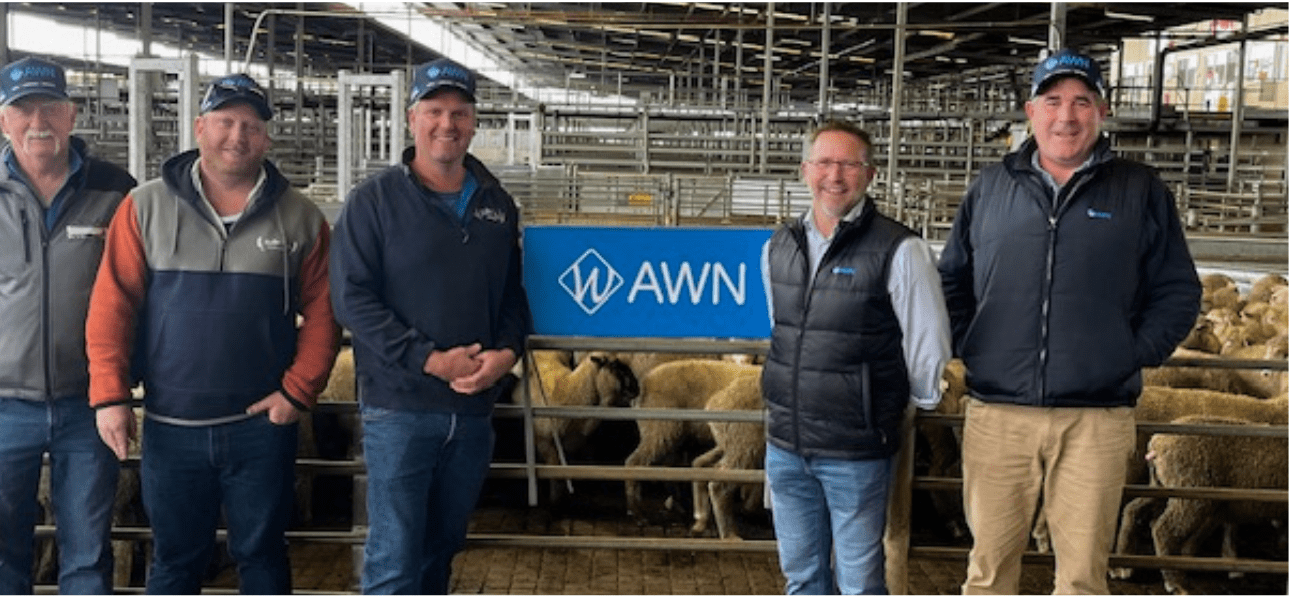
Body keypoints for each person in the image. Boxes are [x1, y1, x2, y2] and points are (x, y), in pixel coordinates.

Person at [937, 48, 1202, 594]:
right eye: (1053, 101)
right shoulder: (991, 188)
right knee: (987, 573)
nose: (1067, 115)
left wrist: (1130, 352)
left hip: (1096, 420)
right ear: (1030, 112)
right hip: (997, 412)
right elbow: (952, 280)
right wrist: (973, 344)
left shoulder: (1139, 189)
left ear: (1101, 112)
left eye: (1082, 101)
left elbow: (1178, 290)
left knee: (1082, 578)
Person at [86, 73, 339, 594]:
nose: (237, 136)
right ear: (199, 128)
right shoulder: (145, 207)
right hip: (171, 424)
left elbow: (326, 311)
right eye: (225, 122)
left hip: (261, 426)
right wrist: (109, 394)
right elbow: (112, 302)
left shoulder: (301, 218)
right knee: (176, 561)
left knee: (263, 554)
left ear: (266, 138)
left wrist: (299, 389)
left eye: (251, 125)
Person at [330, 58, 532, 594]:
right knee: (394, 556)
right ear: (411, 118)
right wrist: (427, 358)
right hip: (399, 407)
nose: (448, 123)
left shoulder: (496, 205)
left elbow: (512, 295)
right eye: (436, 111)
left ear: (474, 122)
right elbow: (350, 298)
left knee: (441, 551)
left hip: (471, 411)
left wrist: (506, 354)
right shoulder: (373, 203)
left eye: (460, 112)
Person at [761, 120, 951, 594]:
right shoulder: (778, 246)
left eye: (850, 163)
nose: (835, 175)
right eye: (824, 162)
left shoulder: (900, 249)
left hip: (857, 447)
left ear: (870, 175)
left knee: (860, 581)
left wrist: (910, 407)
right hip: (786, 442)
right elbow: (782, 330)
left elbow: (928, 340)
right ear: (806, 170)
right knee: (802, 575)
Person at [0, 56, 136, 595]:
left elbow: (138, 289)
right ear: (3, 119)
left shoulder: (116, 190)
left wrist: (125, 381)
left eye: (50, 107)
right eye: (23, 109)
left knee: (87, 550)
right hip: (3, 403)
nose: (39, 121)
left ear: (72, 115)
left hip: (90, 402)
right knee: (4, 551)